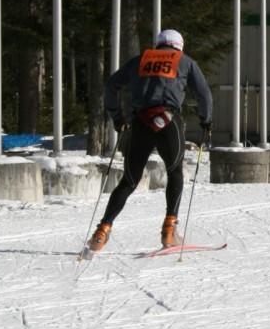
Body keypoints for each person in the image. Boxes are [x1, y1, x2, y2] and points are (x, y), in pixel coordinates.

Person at [87, 29, 213, 253]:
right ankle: (169, 230)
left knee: (129, 180)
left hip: (140, 123)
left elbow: (111, 87)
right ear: (179, 46)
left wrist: (118, 118)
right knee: (174, 172)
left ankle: (102, 230)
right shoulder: (185, 62)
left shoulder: (139, 60)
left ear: (158, 44)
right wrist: (206, 121)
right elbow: (204, 94)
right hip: (168, 122)